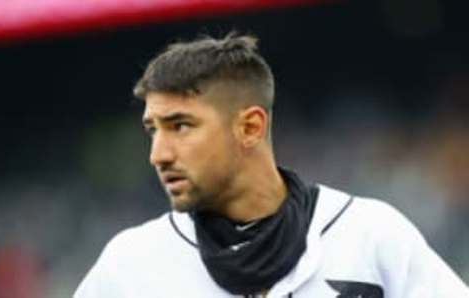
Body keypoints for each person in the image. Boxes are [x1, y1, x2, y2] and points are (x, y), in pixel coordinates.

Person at [74, 33, 469, 298]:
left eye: (181, 126)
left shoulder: (369, 236)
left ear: (250, 127)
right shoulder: (131, 265)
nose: (158, 154)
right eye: (152, 130)